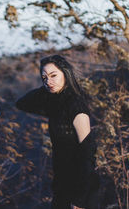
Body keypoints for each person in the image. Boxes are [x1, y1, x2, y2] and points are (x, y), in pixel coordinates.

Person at [16, 55, 99, 209]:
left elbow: (88, 153)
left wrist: (79, 201)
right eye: (44, 78)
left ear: (65, 74)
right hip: (62, 184)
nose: (48, 81)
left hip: (80, 188)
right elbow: (21, 103)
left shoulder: (75, 105)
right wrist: (47, 87)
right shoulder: (55, 104)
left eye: (54, 75)